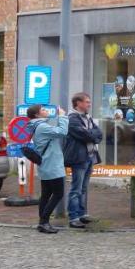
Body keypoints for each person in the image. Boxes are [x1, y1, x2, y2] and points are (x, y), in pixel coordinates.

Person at [64, 93, 103, 228]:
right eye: (87, 102)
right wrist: (92, 135)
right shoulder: (72, 119)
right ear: (78, 103)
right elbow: (84, 135)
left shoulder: (87, 118)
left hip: (90, 156)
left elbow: (99, 133)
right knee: (76, 188)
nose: (89, 104)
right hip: (79, 158)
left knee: (84, 188)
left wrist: (92, 135)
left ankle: (82, 214)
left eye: (89, 102)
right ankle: (73, 217)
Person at [29, 104, 69, 234]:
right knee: (58, 193)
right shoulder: (42, 127)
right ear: (37, 115)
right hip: (52, 165)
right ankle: (44, 221)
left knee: (46, 194)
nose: (46, 111)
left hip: (46, 165)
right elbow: (62, 132)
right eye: (43, 110)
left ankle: (43, 221)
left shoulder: (37, 126)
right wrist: (62, 117)